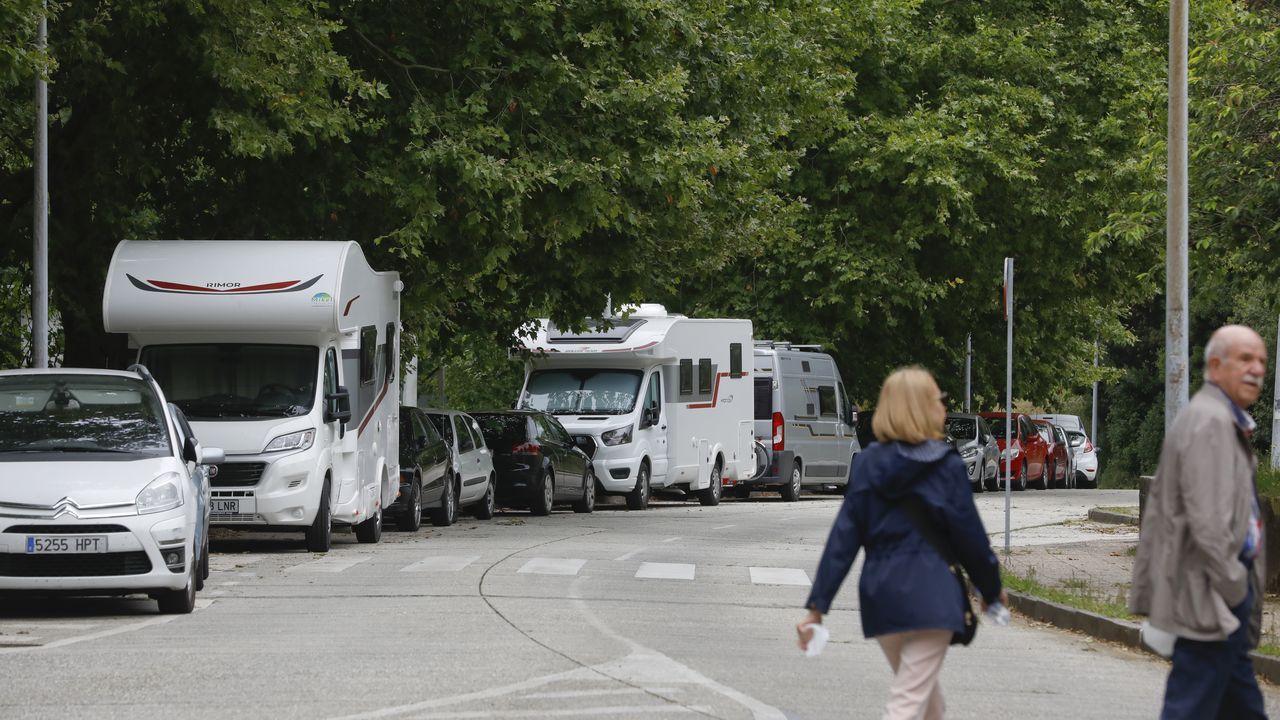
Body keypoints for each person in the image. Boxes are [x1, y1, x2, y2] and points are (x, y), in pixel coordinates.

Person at [796, 366, 1004, 720]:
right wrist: (992, 589)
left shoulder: (867, 465)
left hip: (882, 598)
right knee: (908, 703)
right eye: (940, 400)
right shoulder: (947, 466)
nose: (944, 407)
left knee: (926, 702)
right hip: (933, 598)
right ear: (923, 407)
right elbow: (970, 538)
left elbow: (843, 540)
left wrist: (817, 607)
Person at [1130, 324, 1269, 719]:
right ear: (1215, 365)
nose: (1256, 369)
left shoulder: (1221, 419)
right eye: (1245, 359)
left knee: (1241, 708)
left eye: (1261, 360)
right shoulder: (1210, 422)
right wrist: (1234, 584)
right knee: (1190, 707)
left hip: (1217, 589)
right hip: (1210, 591)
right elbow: (1207, 520)